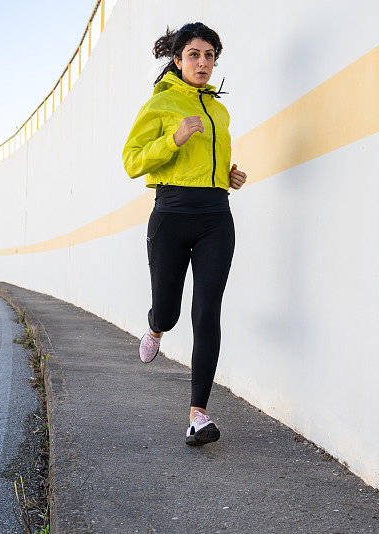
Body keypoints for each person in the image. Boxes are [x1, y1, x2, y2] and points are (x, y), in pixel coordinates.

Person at [121, 22, 247, 446]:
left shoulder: (219, 110)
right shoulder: (160, 104)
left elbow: (207, 159)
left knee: (207, 312)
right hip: (171, 215)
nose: (204, 63)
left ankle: (198, 414)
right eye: (194, 54)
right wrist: (173, 139)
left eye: (210, 55)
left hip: (215, 215)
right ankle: (155, 328)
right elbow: (132, 161)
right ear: (177, 60)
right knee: (170, 312)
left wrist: (226, 175)